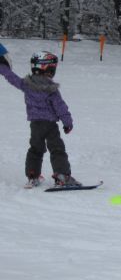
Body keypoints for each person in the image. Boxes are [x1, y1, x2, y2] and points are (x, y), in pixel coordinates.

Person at [0, 45, 82, 189]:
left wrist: (2, 66)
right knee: (57, 149)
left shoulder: (26, 85)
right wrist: (67, 123)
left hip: (35, 125)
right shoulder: (52, 90)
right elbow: (61, 107)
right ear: (48, 69)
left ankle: (32, 175)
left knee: (35, 149)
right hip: (50, 126)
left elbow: (11, 77)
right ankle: (62, 175)